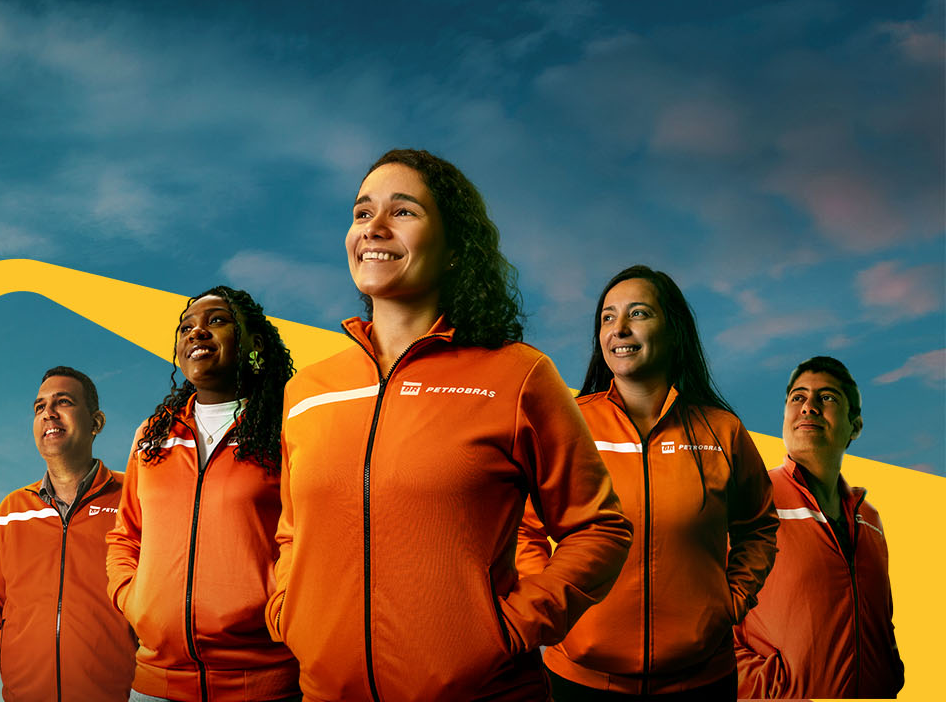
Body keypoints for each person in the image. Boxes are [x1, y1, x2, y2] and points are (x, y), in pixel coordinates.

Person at [268, 148, 633, 701]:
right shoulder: (308, 392)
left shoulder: (518, 375)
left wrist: (512, 627)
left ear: (457, 248)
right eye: (363, 213)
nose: (376, 229)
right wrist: (286, 612)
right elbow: (293, 533)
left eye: (404, 212)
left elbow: (599, 527)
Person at [517, 265, 779, 699]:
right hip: (579, 680)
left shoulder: (723, 431)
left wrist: (730, 602)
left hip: (702, 680)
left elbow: (758, 526)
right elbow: (523, 529)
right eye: (607, 317)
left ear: (674, 330)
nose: (618, 329)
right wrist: (551, 606)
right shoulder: (568, 423)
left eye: (638, 314)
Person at [105, 286, 299, 702]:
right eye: (186, 327)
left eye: (217, 321)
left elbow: (307, 538)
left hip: (262, 682)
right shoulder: (152, 434)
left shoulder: (287, 429)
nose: (198, 333)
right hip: (157, 684)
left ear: (255, 345)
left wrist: (278, 610)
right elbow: (126, 535)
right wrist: (133, 599)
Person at [0, 366, 135, 702]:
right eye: (39, 407)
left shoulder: (134, 496)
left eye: (63, 402)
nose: (48, 414)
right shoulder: (11, 512)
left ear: (96, 423)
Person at [734, 356, 905, 698]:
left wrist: (889, 675)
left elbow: (879, 622)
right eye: (797, 397)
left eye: (827, 398)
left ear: (854, 426)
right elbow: (694, 624)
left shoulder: (869, 519)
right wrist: (774, 691)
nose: (808, 406)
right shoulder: (747, 500)